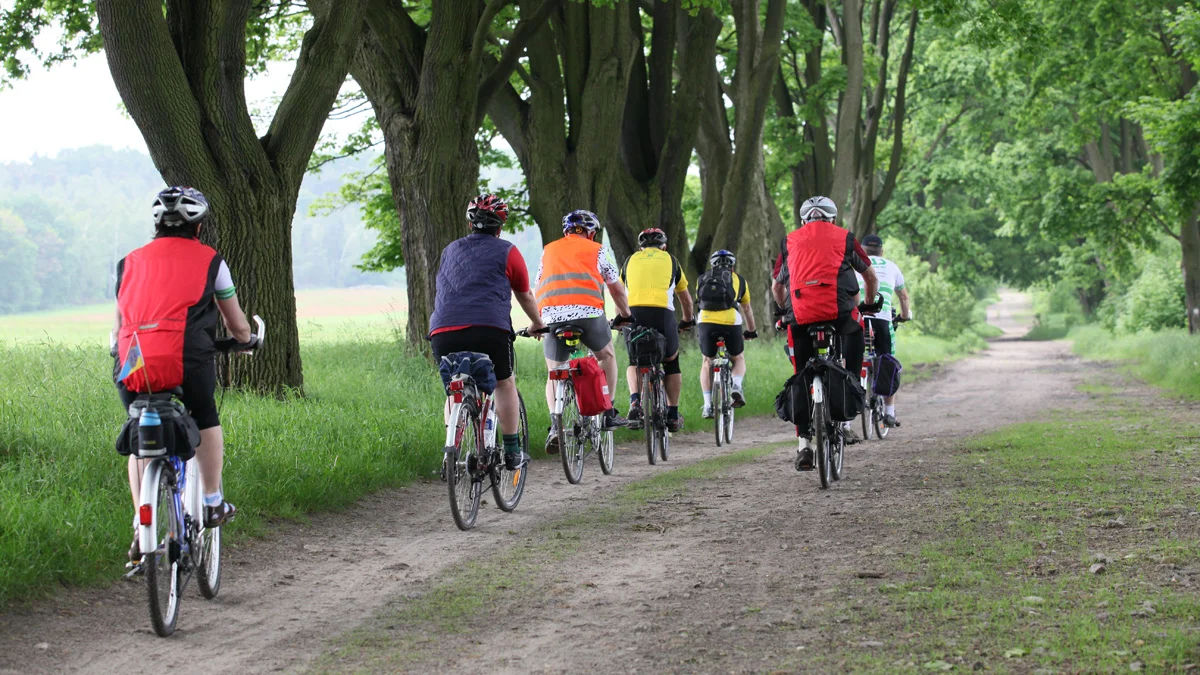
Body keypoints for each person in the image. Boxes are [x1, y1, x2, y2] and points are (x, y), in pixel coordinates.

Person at [113, 186, 255, 563]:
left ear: (157, 223)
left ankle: (140, 528)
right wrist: (246, 339)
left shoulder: (128, 262)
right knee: (205, 414)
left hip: (133, 363)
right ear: (198, 225)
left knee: (140, 428)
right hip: (187, 360)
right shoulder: (212, 261)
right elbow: (236, 325)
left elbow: (120, 324)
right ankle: (211, 502)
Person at [429, 194, 544, 471]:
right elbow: (525, 295)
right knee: (504, 382)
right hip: (490, 328)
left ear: (470, 224)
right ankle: (513, 452)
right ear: (499, 226)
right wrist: (538, 323)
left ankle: (452, 448)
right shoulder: (508, 251)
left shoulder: (450, 250)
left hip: (443, 330)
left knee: (454, 387)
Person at [771, 196, 880, 471]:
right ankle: (847, 414)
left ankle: (803, 445)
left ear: (803, 220)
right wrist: (867, 303)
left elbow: (777, 287)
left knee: (799, 373)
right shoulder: (845, 238)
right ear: (832, 219)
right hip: (841, 313)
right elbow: (870, 276)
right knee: (855, 340)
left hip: (801, 316)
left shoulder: (789, 241)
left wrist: (783, 311)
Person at [535, 209, 632, 452]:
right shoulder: (597, 249)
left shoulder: (549, 249)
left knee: (554, 371)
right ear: (591, 233)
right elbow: (616, 289)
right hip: (588, 314)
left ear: (566, 231)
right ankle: (608, 410)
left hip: (552, 316)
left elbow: (538, 284)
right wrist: (626, 315)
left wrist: (538, 320)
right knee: (606, 356)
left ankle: (556, 425)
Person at [620, 228, 695, 432]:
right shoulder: (671, 261)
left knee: (634, 360)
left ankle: (635, 402)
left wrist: (621, 317)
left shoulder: (629, 261)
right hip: (663, 314)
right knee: (671, 362)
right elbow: (685, 300)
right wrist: (687, 320)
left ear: (640, 247)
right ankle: (672, 414)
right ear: (664, 246)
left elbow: (619, 291)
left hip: (633, 313)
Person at [856, 234, 911, 427]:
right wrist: (904, 316)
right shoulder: (892, 266)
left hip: (859, 319)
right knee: (887, 362)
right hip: (882, 320)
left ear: (862, 250)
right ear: (882, 251)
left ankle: (845, 423)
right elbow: (903, 296)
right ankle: (889, 413)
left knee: (851, 359)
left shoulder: (854, 264)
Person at [696, 249, 758, 419]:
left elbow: (699, 302)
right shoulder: (739, 280)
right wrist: (751, 331)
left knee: (707, 361)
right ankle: (736, 386)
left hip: (706, 321)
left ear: (712, 264)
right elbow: (746, 308)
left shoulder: (702, 278)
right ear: (732, 266)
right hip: (731, 322)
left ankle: (708, 405)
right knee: (738, 358)